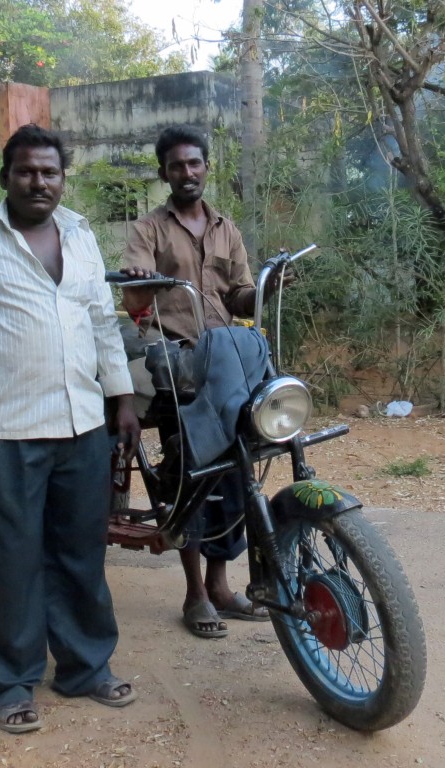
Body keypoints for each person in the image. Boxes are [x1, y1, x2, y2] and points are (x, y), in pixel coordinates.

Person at [0, 124, 141, 734]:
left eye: (49, 172)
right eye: (26, 171)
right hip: (7, 426)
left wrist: (122, 396)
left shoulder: (80, 234)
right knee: (13, 562)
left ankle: (85, 668)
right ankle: (10, 683)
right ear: (6, 177)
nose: (38, 182)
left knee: (80, 555)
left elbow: (102, 320)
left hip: (82, 423)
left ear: (62, 178)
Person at [121, 124, 284, 639]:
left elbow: (240, 297)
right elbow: (134, 293)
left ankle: (220, 586)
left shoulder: (225, 228)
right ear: (165, 173)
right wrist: (142, 282)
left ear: (206, 168)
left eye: (194, 163)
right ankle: (194, 594)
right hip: (173, 357)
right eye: (176, 165)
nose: (186, 172)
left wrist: (266, 288)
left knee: (236, 467)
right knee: (190, 471)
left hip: (224, 358)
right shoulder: (149, 229)